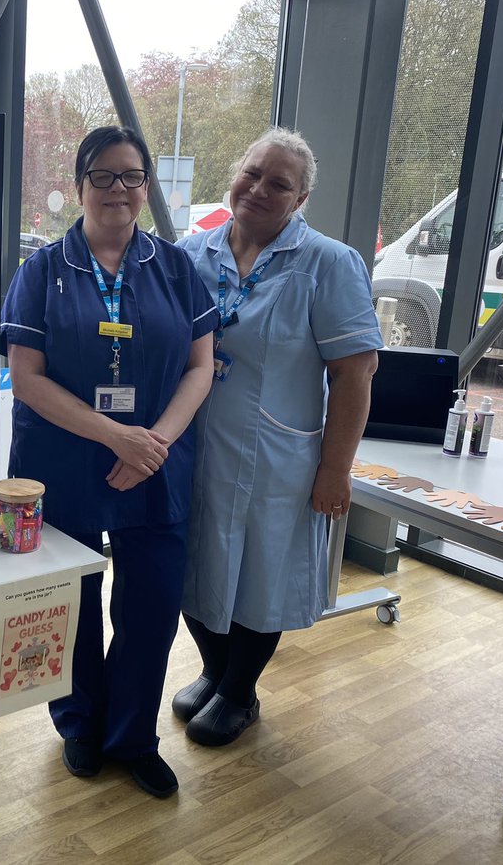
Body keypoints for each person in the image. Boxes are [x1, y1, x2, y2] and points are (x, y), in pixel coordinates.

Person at [1, 125, 217, 798]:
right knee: (69, 600)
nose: (117, 189)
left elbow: (200, 367)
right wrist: (112, 436)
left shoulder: (177, 268)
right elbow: (27, 378)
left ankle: (131, 736)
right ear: (79, 185)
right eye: (103, 176)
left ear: (146, 186)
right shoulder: (43, 270)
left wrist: (150, 444)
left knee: (150, 604)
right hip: (62, 460)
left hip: (154, 463)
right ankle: (79, 728)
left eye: (130, 176)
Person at [172, 127, 381, 746]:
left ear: (301, 199)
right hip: (194, 447)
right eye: (253, 173)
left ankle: (239, 692)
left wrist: (335, 471)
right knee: (192, 566)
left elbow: (354, 372)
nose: (260, 189)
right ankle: (214, 670)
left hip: (279, 457)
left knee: (261, 577)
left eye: (280, 184)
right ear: (236, 173)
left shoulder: (328, 263)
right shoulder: (191, 254)